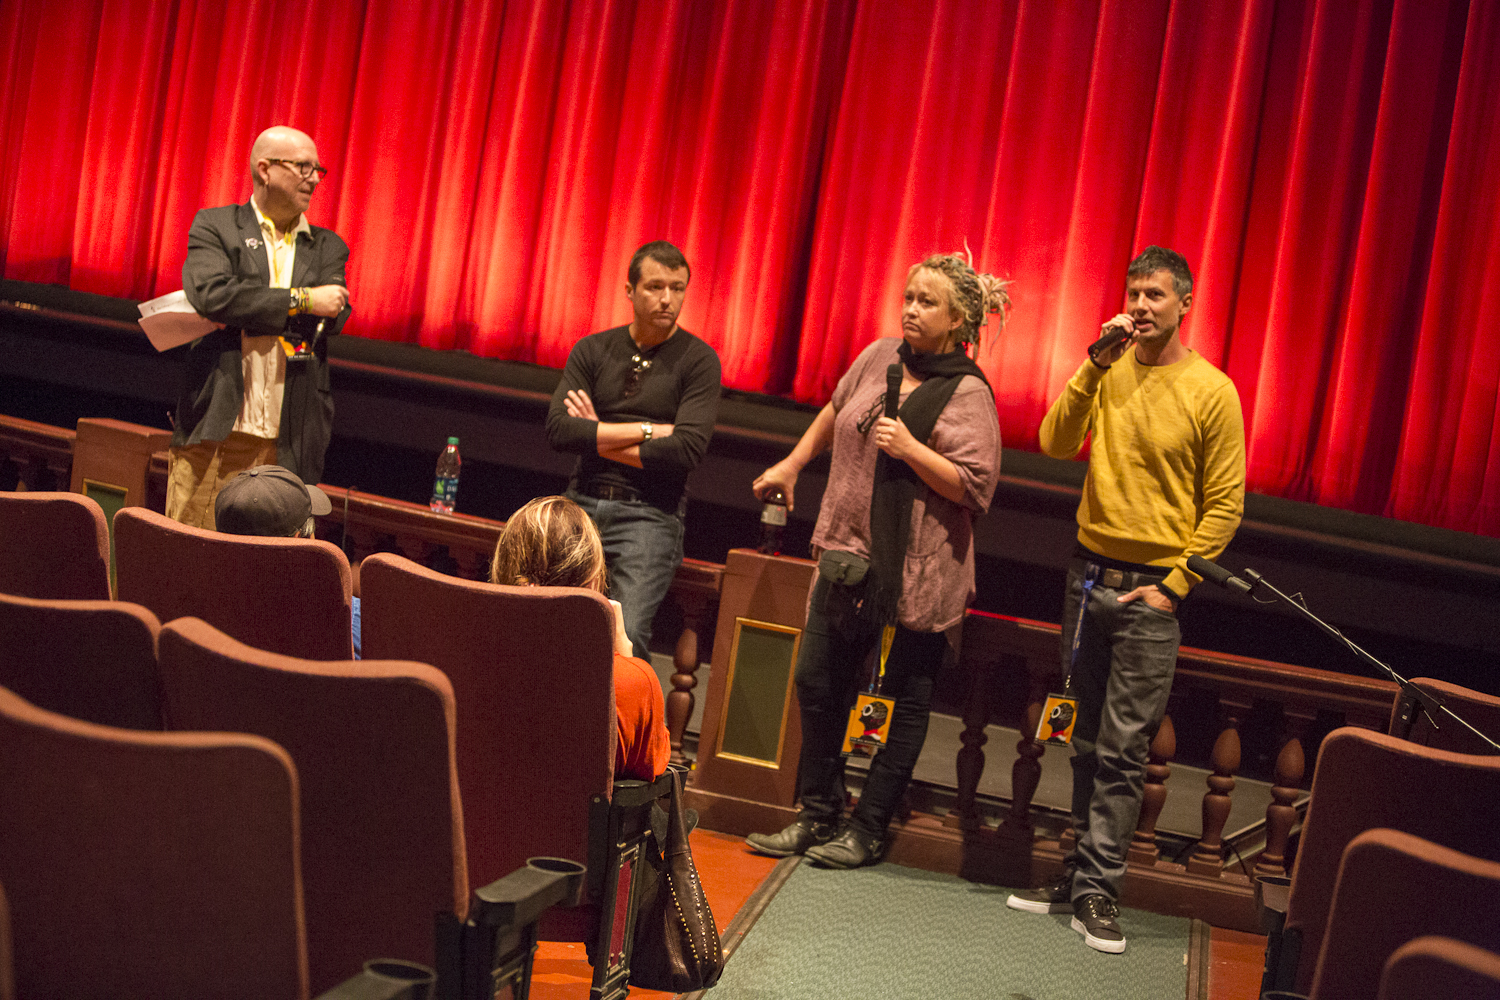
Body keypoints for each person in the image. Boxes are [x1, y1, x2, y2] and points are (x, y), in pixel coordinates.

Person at [1008, 246, 1245, 954]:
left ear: (1185, 305)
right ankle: (1078, 873)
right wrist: (1092, 365)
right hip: (1087, 579)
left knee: (1122, 750)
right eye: (1133, 292)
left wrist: (1174, 588)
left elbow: (1224, 506)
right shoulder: (1108, 371)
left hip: (1149, 594)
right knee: (1081, 740)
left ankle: (1099, 891)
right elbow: (1053, 441)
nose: (1140, 306)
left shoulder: (1212, 390)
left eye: (1155, 296)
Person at [744, 252, 1008, 869]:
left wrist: (913, 449)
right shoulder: (879, 355)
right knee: (817, 680)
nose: (911, 309)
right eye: (909, 297)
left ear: (959, 317)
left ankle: (867, 829)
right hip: (846, 552)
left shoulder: (967, 394)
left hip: (913, 574)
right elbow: (838, 409)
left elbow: (974, 487)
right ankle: (819, 812)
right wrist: (792, 463)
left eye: (927, 302)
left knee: (901, 703)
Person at [167, 125, 352, 529]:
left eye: (317, 169)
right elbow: (212, 296)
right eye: (303, 166)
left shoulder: (327, 247)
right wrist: (303, 299)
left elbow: (334, 312)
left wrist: (246, 306)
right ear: (264, 169)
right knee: (187, 557)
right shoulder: (216, 226)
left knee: (270, 575)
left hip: (289, 441)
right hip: (216, 432)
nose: (313, 178)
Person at [544, 241, 721, 661]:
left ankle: (614, 728)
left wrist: (597, 434)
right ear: (629, 289)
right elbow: (559, 430)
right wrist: (647, 430)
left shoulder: (699, 362)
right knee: (546, 621)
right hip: (581, 501)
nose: (667, 299)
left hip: (649, 514)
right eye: (655, 287)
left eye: (677, 288)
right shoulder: (593, 349)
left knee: (626, 639)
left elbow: (685, 450)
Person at [490, 495, 671, 781]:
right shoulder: (630, 683)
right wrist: (626, 659)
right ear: (593, 583)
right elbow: (650, 764)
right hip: (572, 826)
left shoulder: (466, 661)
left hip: (473, 823)